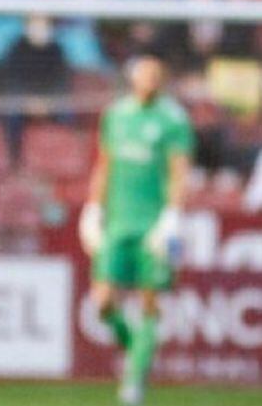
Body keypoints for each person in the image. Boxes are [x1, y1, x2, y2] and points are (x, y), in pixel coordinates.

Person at [79, 52, 194, 406]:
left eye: (156, 76)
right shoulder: (116, 115)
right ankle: (138, 356)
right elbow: (105, 164)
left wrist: (172, 216)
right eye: (145, 75)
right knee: (103, 302)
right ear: (132, 79)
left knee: (148, 301)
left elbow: (179, 172)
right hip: (117, 221)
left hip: (153, 225)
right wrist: (93, 207)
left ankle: (133, 384)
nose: (150, 81)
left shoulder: (173, 119)